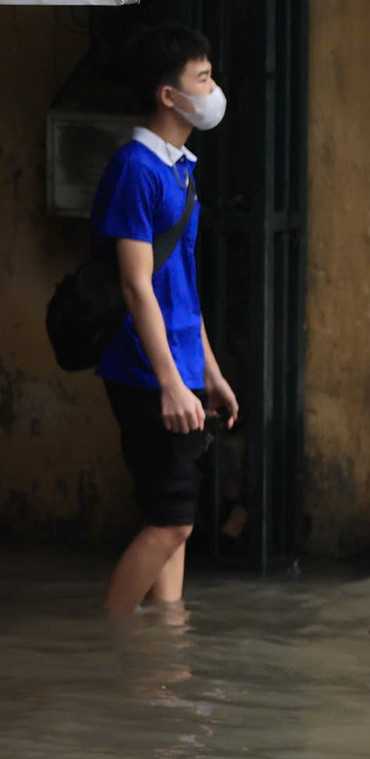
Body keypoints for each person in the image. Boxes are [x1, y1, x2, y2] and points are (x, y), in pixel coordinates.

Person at [92, 24, 237, 617]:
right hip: (146, 371)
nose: (213, 90)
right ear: (167, 96)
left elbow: (181, 286)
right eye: (201, 79)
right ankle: (111, 641)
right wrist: (171, 384)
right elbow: (136, 284)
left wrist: (210, 373)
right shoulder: (136, 169)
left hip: (180, 364)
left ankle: (164, 655)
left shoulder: (179, 167)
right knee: (172, 524)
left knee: (173, 521)